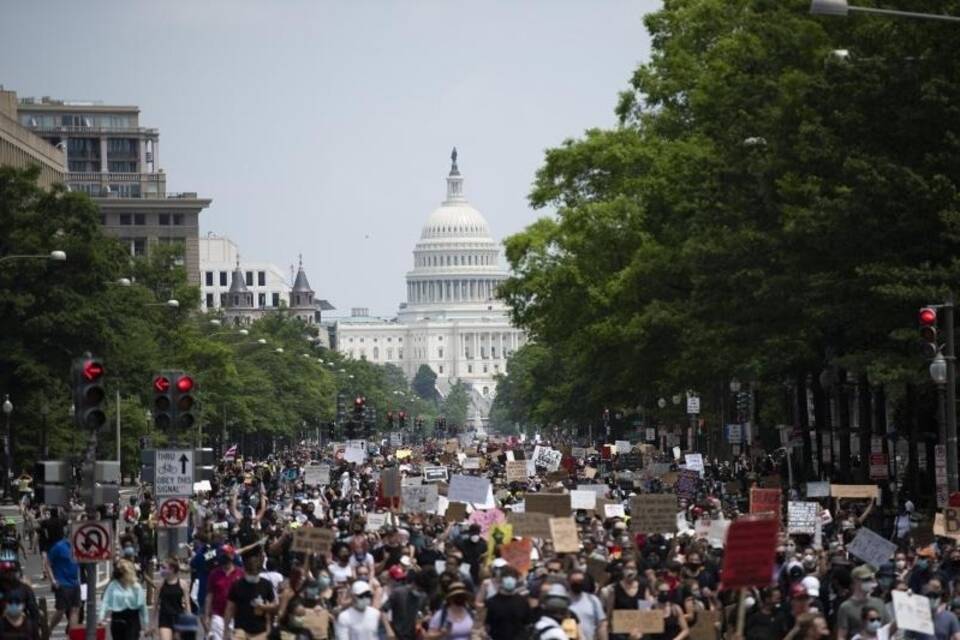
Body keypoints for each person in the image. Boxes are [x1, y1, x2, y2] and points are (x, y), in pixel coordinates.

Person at [224, 551, 276, 640]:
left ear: (259, 571)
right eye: (250, 573)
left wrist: (263, 607)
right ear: (245, 570)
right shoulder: (237, 585)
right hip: (240, 630)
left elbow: (274, 605)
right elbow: (230, 608)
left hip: (260, 631)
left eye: (255, 573)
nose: (252, 575)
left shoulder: (266, 584)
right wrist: (226, 629)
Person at [98, 558, 150, 640]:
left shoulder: (136, 587)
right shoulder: (113, 585)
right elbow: (105, 601)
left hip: (132, 619)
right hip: (117, 619)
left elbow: (143, 607)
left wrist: (146, 625)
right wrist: (101, 617)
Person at [44, 526, 81, 637]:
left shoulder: (78, 546)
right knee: (61, 610)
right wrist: (53, 580)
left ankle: (72, 635)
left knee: (75, 609)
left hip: (75, 583)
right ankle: (48, 629)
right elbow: (48, 563)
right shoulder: (59, 546)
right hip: (62, 583)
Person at [836, 566, 890, 640]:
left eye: (870, 579)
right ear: (855, 581)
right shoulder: (846, 607)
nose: (869, 582)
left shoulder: (879, 603)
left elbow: (888, 628)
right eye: (866, 579)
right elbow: (842, 636)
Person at [205, 546, 243, 640]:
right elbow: (209, 595)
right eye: (222, 555)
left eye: (226, 555)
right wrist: (206, 615)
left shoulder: (240, 573)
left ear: (232, 556)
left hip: (236, 616)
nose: (224, 557)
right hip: (218, 615)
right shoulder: (214, 574)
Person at [485, 567, 533, 640]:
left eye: (513, 577)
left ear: (516, 580)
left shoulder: (522, 601)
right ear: (500, 580)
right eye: (506, 577)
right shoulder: (490, 603)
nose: (510, 580)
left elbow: (527, 624)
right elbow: (487, 626)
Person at [568, 568, 607, 640]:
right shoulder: (563, 601)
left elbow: (601, 625)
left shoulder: (593, 600)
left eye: (580, 581)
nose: (577, 584)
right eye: (574, 581)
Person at [157, 558, 191, 640]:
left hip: (179, 617)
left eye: (164, 568)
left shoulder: (183, 584)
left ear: (172, 569)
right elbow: (155, 604)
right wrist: (151, 624)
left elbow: (187, 604)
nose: (162, 570)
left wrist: (189, 620)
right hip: (164, 618)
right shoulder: (161, 584)